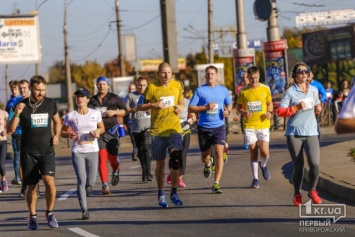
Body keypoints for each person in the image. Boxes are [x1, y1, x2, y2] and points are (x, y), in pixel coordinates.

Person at [7, 75, 61, 230]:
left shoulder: (50, 103)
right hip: (28, 152)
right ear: (30, 88)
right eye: (38, 90)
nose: (41, 93)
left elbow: (57, 121)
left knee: (49, 181)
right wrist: (17, 113)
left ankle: (50, 213)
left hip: (47, 150)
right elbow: (10, 130)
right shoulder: (21, 105)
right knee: (32, 187)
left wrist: (56, 135)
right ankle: (32, 216)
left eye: (43, 90)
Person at [277, 62, 322, 206]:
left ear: (308, 74)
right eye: (299, 71)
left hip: (311, 132)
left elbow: (317, 105)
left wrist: (318, 108)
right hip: (294, 133)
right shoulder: (290, 92)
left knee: (315, 164)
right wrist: (296, 107)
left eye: (305, 71)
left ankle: (312, 190)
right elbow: (280, 111)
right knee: (299, 166)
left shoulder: (314, 90)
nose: (303, 73)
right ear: (295, 75)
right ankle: (297, 194)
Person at [140, 62, 185, 207]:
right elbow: (140, 106)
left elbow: (181, 102)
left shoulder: (177, 85)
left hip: (174, 129)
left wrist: (180, 107)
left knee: (176, 159)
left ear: (172, 73)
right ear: (158, 74)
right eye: (163, 73)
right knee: (160, 165)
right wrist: (154, 105)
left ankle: (174, 192)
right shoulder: (152, 88)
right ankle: (160, 193)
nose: (166, 76)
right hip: (157, 132)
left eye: (169, 73)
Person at [61, 88, 105, 220]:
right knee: (81, 180)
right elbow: (62, 132)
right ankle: (84, 209)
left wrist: (98, 132)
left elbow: (102, 128)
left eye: (82, 96)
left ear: (88, 99)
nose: (79, 98)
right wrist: (68, 134)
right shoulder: (70, 116)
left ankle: (88, 186)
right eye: (77, 96)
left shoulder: (95, 113)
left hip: (92, 150)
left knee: (91, 181)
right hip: (78, 151)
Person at [188, 65, 232, 193]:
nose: (210, 75)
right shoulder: (200, 91)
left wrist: (227, 111)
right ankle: (208, 163)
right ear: (205, 76)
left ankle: (216, 183)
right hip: (204, 128)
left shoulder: (223, 90)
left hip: (219, 127)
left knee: (219, 153)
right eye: (207, 73)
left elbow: (229, 103)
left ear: (217, 75)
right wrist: (205, 107)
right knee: (205, 157)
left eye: (212, 73)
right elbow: (191, 108)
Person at [88, 76, 127, 195]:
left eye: (104, 84)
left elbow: (124, 111)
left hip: (112, 131)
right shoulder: (92, 100)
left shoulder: (114, 98)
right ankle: (105, 185)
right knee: (102, 159)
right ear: (96, 85)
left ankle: (116, 169)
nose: (101, 86)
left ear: (108, 86)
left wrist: (115, 112)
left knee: (113, 159)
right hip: (99, 132)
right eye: (99, 84)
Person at [236, 66, 273, 189]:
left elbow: (269, 103)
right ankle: (255, 179)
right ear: (248, 77)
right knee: (253, 150)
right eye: (251, 79)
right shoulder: (243, 91)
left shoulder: (265, 89)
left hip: (263, 124)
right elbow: (238, 108)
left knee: (264, 152)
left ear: (259, 76)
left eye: (256, 78)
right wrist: (244, 112)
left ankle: (263, 165)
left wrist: (270, 112)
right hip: (249, 125)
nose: (254, 81)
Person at [167, 80, 196, 187]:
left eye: (180, 89)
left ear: (183, 90)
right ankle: (172, 173)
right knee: (174, 155)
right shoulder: (170, 102)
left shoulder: (188, 102)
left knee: (183, 155)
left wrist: (191, 120)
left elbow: (193, 116)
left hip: (185, 130)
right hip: (173, 132)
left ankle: (179, 177)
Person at [125, 77, 153, 182]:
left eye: (144, 85)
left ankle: (149, 173)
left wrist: (149, 108)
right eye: (139, 85)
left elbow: (154, 109)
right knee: (140, 149)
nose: (142, 87)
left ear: (147, 85)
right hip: (136, 127)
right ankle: (144, 171)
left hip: (147, 126)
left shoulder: (150, 95)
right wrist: (136, 108)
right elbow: (126, 110)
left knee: (146, 147)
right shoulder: (131, 96)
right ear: (136, 85)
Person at [5, 80, 22, 186]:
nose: (14, 91)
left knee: (26, 155)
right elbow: (7, 117)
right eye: (12, 89)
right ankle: (17, 177)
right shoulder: (9, 103)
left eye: (16, 89)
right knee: (16, 155)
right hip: (15, 132)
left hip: (25, 131)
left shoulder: (23, 99)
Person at [126, 83, 139, 161]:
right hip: (130, 121)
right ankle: (135, 153)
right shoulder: (127, 98)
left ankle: (138, 152)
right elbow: (124, 109)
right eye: (130, 89)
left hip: (139, 121)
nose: (131, 90)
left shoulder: (140, 97)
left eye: (133, 89)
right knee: (133, 139)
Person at [0, 109, 9, 193]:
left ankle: (3, 179)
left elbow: (10, 123)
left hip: (2, 141)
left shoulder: (4, 113)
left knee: (1, 163)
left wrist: (6, 131)